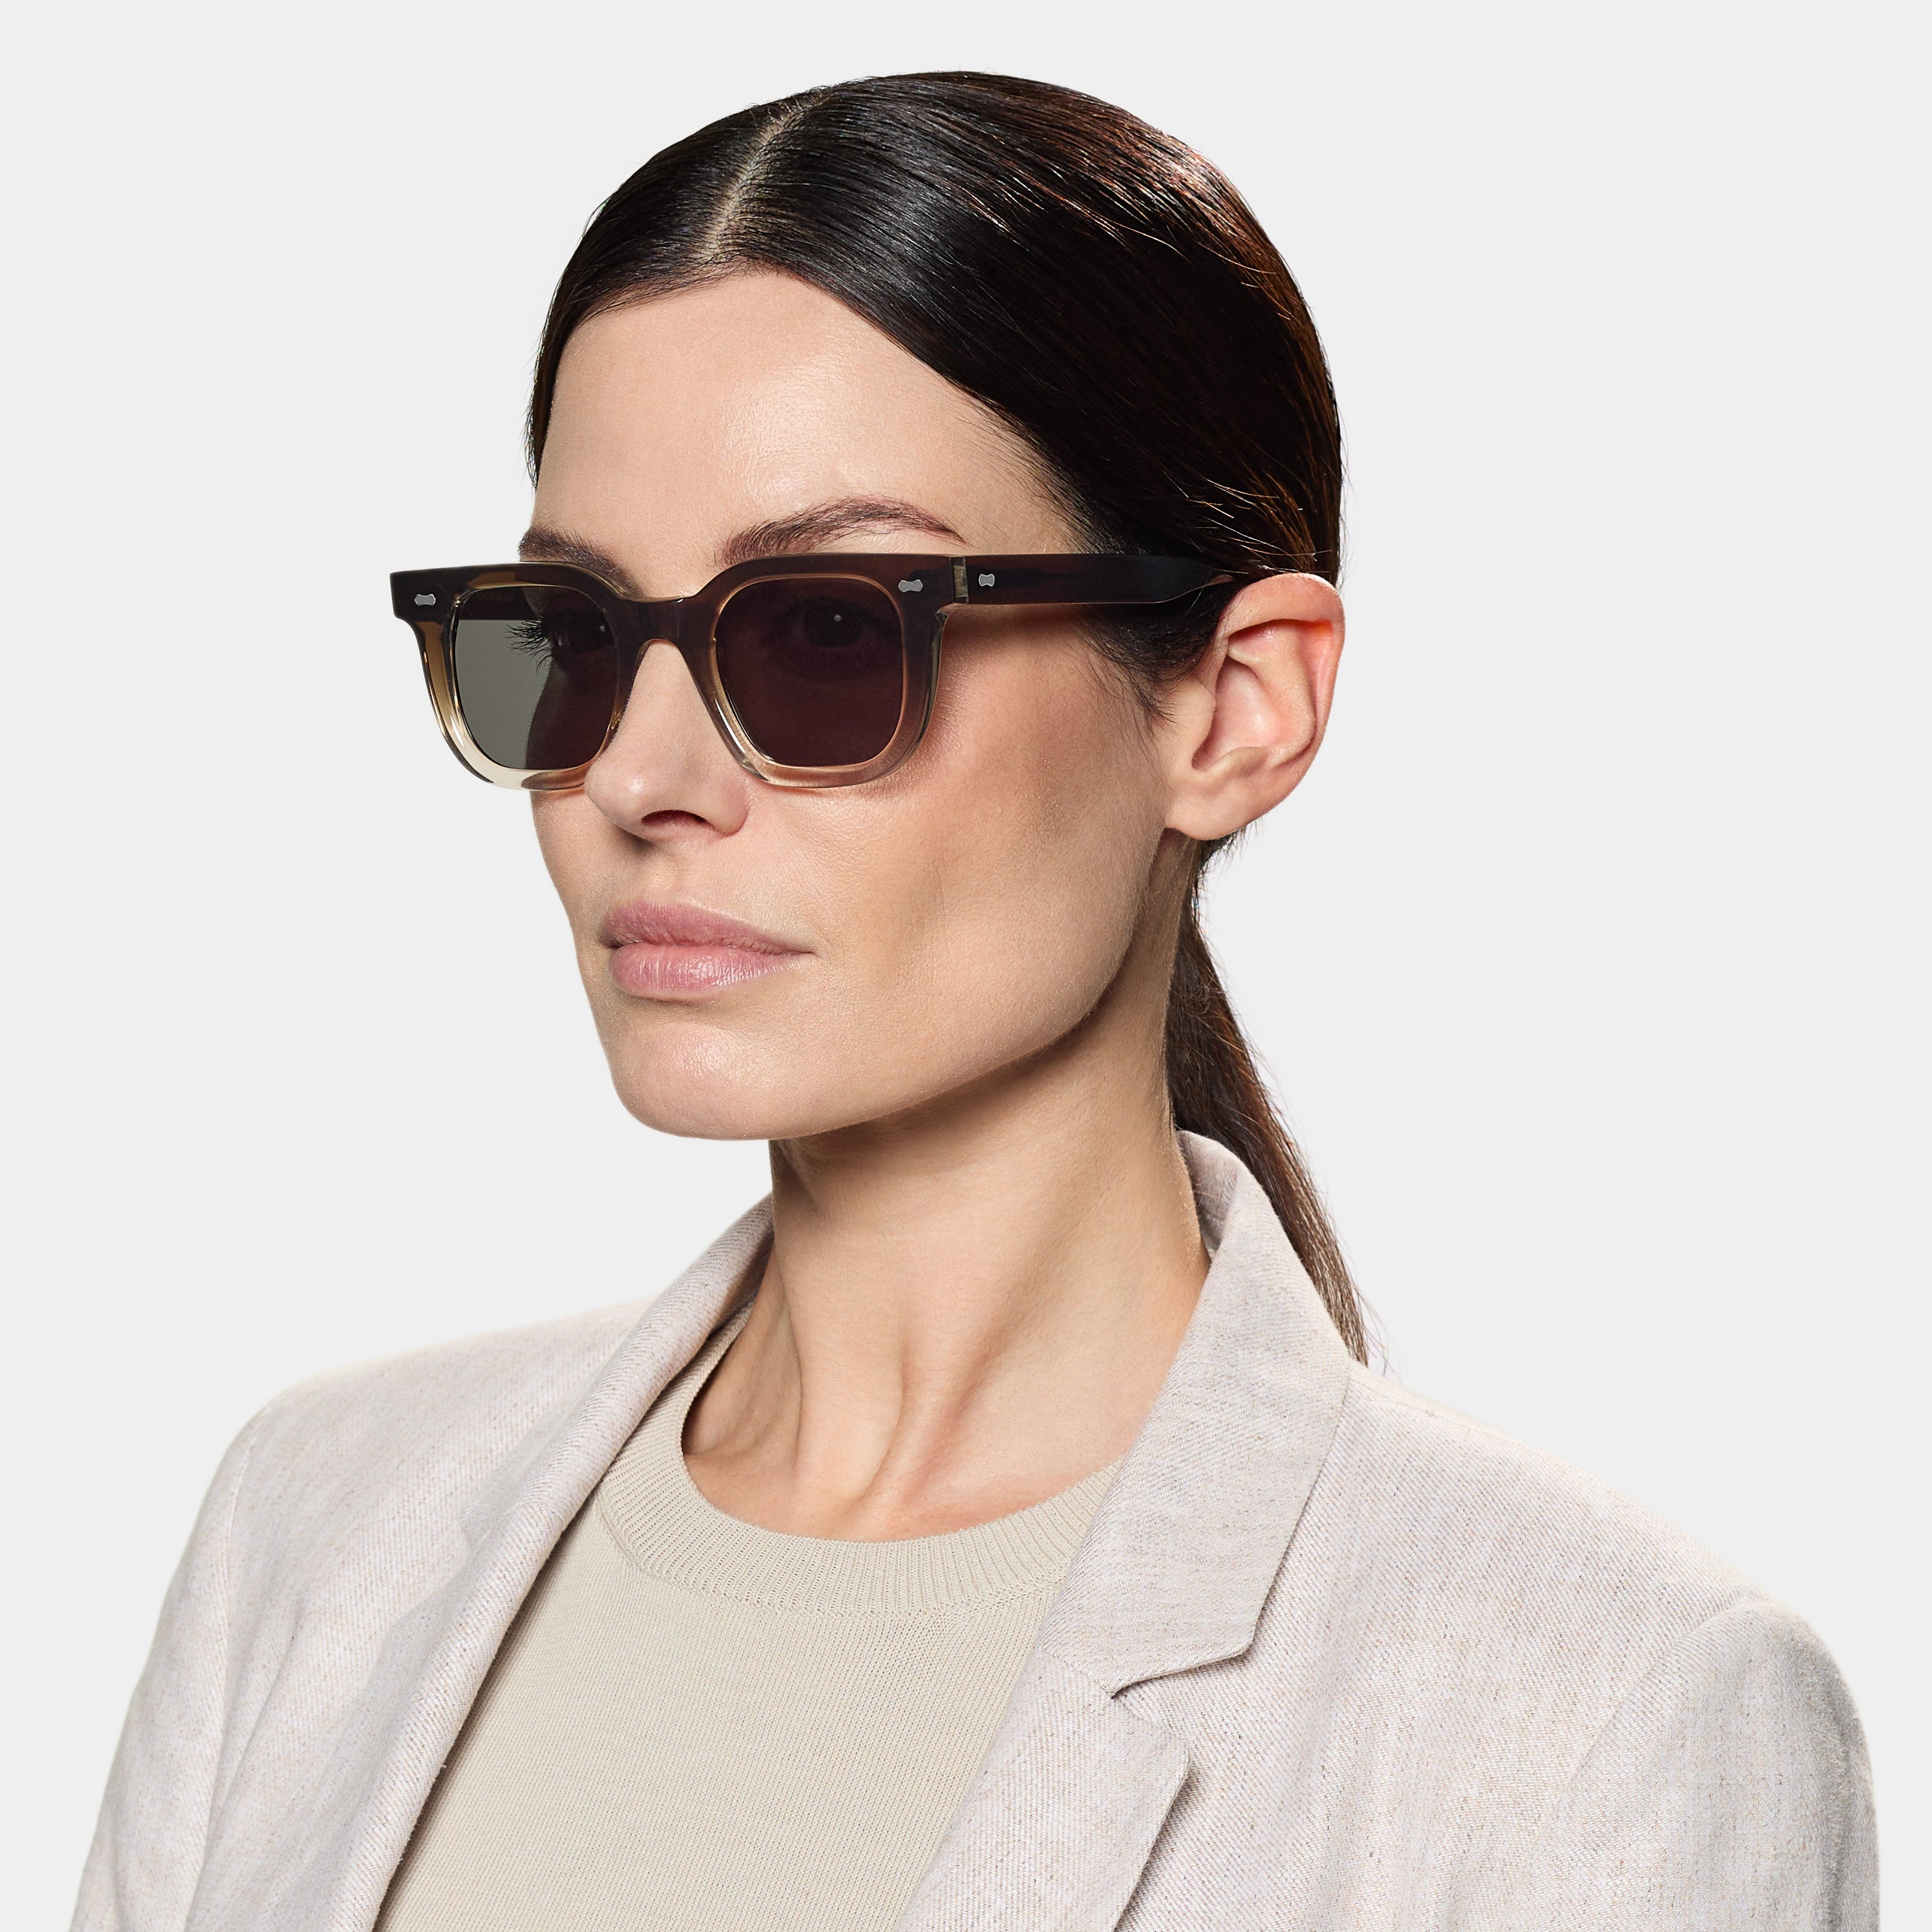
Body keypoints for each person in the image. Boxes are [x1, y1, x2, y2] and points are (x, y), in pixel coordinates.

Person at [74, 71, 1876, 1932]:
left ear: (1235, 705)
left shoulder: (1603, 1709)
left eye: (829, 630)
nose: (638, 777)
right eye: (573, 638)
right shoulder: (315, 1531)